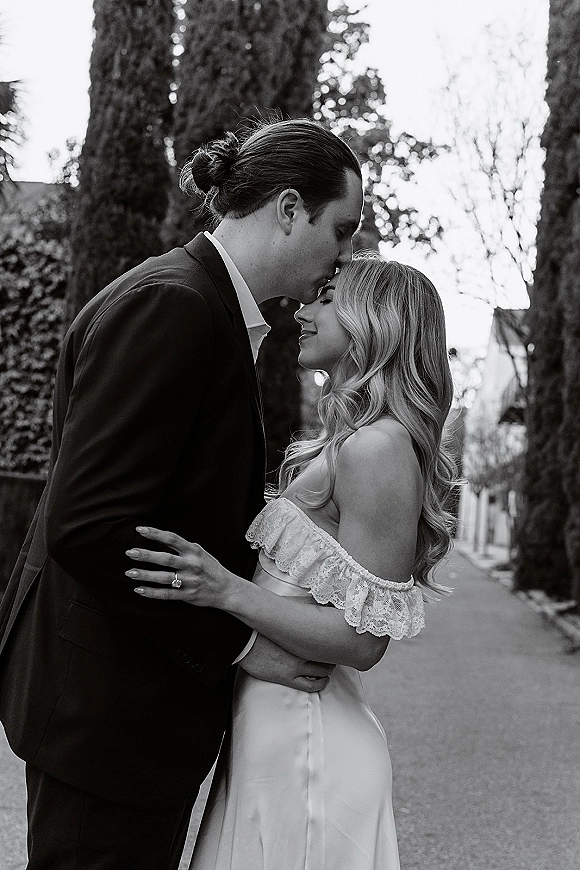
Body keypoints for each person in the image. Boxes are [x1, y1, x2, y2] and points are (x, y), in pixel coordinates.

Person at [0, 118, 364, 870]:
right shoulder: (175, 305)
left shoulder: (200, 304)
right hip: (107, 715)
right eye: (342, 229)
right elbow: (92, 525)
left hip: (118, 708)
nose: (345, 255)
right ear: (289, 208)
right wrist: (242, 643)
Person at [125, 251, 457, 869]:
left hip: (309, 744)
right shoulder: (351, 439)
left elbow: (364, 643)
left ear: (373, 318)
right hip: (271, 732)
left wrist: (226, 592)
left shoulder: (378, 447)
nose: (302, 311)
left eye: (325, 298)